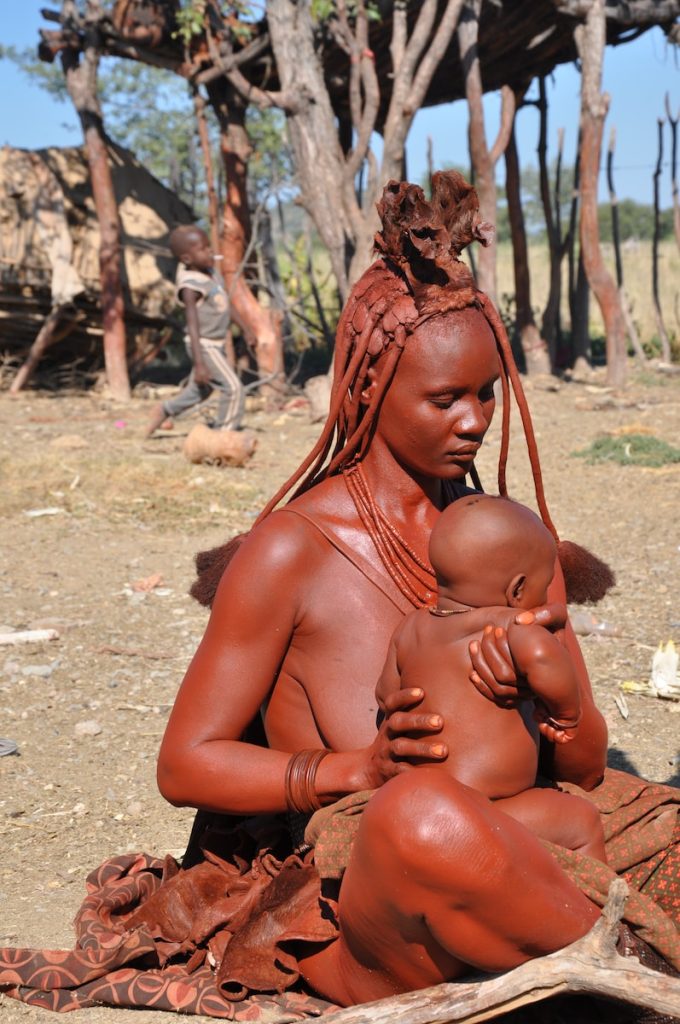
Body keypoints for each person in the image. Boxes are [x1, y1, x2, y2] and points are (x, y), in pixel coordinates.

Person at [1, 173, 678, 1019]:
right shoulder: (293, 549)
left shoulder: (502, 540)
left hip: (528, 850)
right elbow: (186, 763)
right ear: (368, 390)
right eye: (444, 398)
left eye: (486, 395)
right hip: (373, 902)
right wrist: (353, 768)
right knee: (420, 816)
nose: (473, 421)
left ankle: (605, 971)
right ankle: (628, 971)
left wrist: (563, 702)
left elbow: (580, 771)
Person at [376, 492, 607, 862]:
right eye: (543, 584)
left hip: (417, 806)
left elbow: (387, 694)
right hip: (487, 810)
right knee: (581, 820)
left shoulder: (411, 628)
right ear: (517, 590)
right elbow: (544, 656)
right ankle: (588, 904)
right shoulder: (512, 627)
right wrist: (565, 712)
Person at [145, 225, 244, 437]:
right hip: (204, 345)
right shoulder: (190, 286)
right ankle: (223, 436)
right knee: (233, 388)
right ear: (187, 259)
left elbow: (225, 304)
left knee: (201, 390)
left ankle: (164, 410)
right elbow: (192, 325)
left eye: (209, 246)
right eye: (203, 249)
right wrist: (199, 364)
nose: (209, 251)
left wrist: (245, 329)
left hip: (215, 344)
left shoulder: (211, 274)